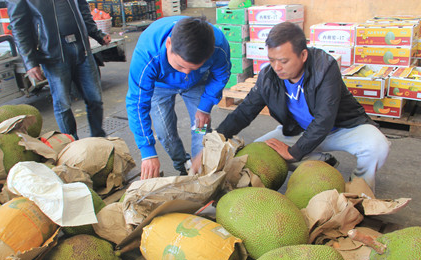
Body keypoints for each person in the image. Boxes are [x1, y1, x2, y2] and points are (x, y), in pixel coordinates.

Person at [215, 22, 390, 190]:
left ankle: (360, 187)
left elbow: (324, 120)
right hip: (300, 132)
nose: (277, 67)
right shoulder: (268, 77)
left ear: (303, 55)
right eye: (272, 60)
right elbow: (244, 112)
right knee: (252, 156)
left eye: (284, 61)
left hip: (342, 129)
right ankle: (319, 161)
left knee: (377, 146)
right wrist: (215, 140)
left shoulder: (324, 68)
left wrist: (294, 152)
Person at [126, 16, 231, 180]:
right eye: (181, 66)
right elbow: (137, 104)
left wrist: (205, 106)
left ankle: (199, 173)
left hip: (197, 83)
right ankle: (183, 165)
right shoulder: (146, 54)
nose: (186, 72)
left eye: (193, 67)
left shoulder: (217, 44)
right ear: (169, 45)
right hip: (160, 86)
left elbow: (221, 75)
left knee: (200, 128)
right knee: (164, 131)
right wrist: (147, 152)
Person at [6, 0, 111, 140]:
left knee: (95, 99)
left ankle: (99, 139)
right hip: (53, 52)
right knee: (63, 104)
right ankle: (71, 143)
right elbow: (18, 25)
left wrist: (97, 34)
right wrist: (30, 61)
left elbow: (83, 9)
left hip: (81, 48)